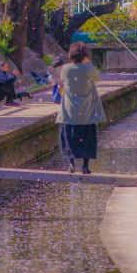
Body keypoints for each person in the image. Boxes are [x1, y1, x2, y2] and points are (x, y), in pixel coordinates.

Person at [56, 41, 105, 174]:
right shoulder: (88, 69)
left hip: (69, 112)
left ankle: (71, 165)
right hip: (86, 112)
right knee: (87, 140)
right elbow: (97, 78)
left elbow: (62, 82)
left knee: (68, 139)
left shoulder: (66, 69)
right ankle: (85, 166)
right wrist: (88, 63)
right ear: (85, 54)